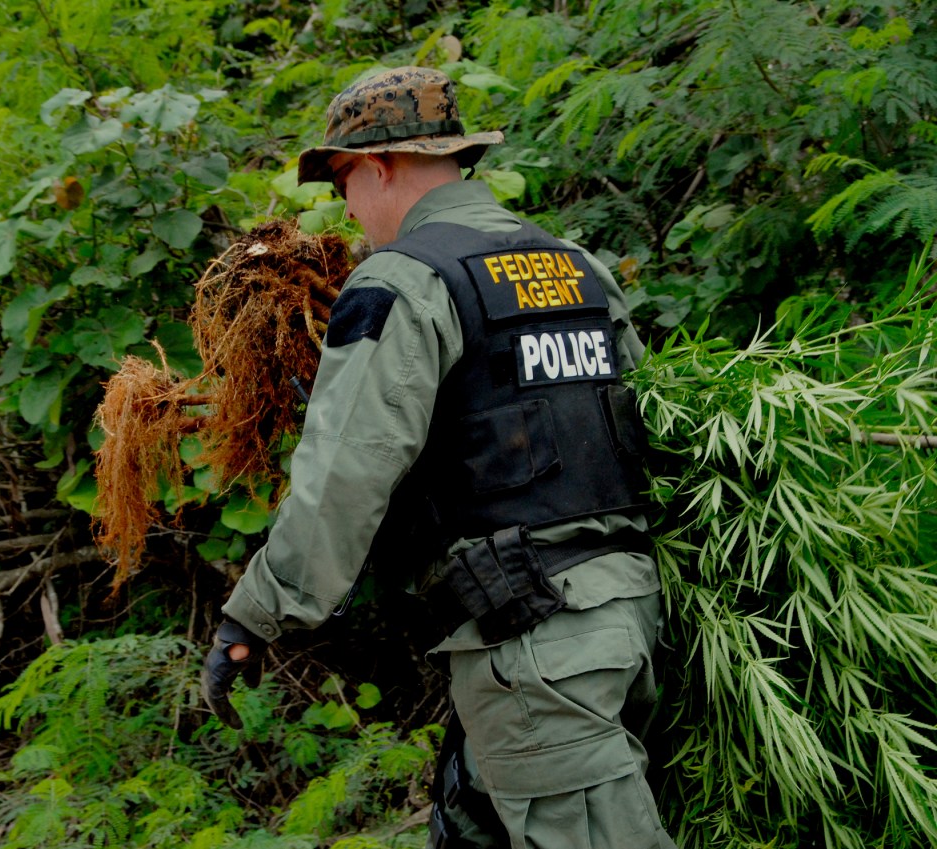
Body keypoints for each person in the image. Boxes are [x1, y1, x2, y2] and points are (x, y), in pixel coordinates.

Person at [201, 66, 677, 849]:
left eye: (344, 184)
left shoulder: (403, 282)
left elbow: (343, 477)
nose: (348, 211)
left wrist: (255, 615)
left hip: (535, 649)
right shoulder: (577, 268)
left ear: (378, 168)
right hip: (625, 619)